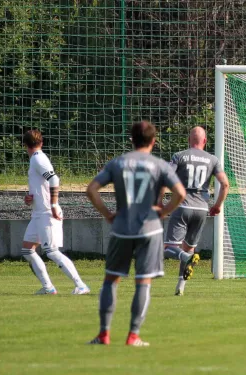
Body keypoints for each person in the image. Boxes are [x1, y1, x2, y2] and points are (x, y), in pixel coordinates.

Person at [86, 121, 186, 346]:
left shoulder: (118, 163)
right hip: (150, 229)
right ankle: (133, 335)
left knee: (111, 279)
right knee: (143, 282)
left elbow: (91, 189)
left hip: (122, 228)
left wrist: (107, 214)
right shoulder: (160, 165)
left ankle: (104, 334)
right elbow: (180, 193)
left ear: (131, 139)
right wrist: (164, 211)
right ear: (153, 141)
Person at [21, 129, 90, 295]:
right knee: (27, 250)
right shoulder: (35, 160)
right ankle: (48, 288)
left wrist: (53, 204)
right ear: (41, 142)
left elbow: (54, 179)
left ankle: (81, 285)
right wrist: (31, 198)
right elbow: (42, 185)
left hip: (47, 213)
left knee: (51, 252)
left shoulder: (38, 159)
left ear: (25, 145)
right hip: (38, 213)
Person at [162, 126, 229, 296]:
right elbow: (225, 184)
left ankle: (185, 258)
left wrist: (159, 202)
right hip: (201, 209)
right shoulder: (213, 159)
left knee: (169, 247)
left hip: (182, 206)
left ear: (189, 140)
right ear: (205, 141)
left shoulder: (180, 156)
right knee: (189, 248)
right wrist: (217, 205)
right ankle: (180, 287)